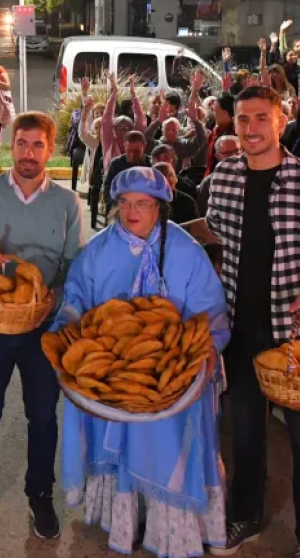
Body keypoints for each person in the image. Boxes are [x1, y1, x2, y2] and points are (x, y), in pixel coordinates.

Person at [204, 86, 300, 558]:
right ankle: (245, 515)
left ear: (282, 121)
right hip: (240, 330)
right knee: (244, 433)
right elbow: (214, 232)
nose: (250, 129)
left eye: (261, 119)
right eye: (242, 119)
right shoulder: (224, 176)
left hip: (296, 335)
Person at [58, 167, 228, 557]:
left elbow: (211, 312)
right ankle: (125, 521)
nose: (132, 212)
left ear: (160, 208)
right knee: (119, 439)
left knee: (166, 443)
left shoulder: (186, 251)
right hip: (115, 377)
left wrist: (204, 350)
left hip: (173, 383)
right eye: (125, 204)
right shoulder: (98, 250)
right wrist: (67, 332)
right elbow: (75, 298)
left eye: (143, 204)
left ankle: (169, 530)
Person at [0, 112, 83, 540]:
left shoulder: (66, 203)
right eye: (22, 144)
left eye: (38, 146)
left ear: (50, 148)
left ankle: (40, 494)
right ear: (11, 144)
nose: (29, 154)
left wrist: (54, 301)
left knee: (43, 414)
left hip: (41, 326)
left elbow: (69, 266)